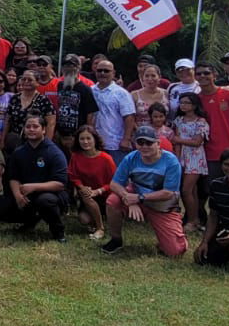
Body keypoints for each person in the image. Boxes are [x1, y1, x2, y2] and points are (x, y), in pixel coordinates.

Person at [101, 126, 188, 257]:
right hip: (137, 197)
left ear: (158, 144)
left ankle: (173, 240)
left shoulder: (171, 161)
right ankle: (116, 239)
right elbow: (114, 184)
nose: (144, 146)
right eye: (140, 143)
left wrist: (138, 198)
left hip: (162, 206)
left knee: (176, 252)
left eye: (149, 143)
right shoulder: (130, 158)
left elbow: (168, 193)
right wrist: (129, 199)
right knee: (112, 201)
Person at [0, 113, 68, 241]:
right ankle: (30, 221)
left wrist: (34, 187)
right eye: (28, 127)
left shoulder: (54, 152)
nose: (31, 129)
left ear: (44, 130)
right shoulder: (19, 152)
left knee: (45, 201)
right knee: (0, 206)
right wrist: (18, 196)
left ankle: (58, 231)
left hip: (52, 194)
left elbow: (60, 184)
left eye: (36, 126)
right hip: (26, 194)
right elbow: (13, 177)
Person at [68, 125, 117, 239]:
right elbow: (73, 175)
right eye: (82, 139)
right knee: (84, 219)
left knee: (88, 195)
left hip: (105, 194)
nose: (85, 142)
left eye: (88, 138)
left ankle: (100, 228)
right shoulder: (76, 157)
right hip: (88, 194)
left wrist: (98, 191)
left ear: (95, 139)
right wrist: (81, 187)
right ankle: (95, 220)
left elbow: (114, 182)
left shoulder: (106, 158)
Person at [171, 93, 210, 233]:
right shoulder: (178, 120)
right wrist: (176, 155)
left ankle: (193, 220)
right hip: (181, 156)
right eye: (181, 102)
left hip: (195, 158)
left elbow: (197, 142)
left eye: (186, 102)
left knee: (186, 190)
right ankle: (194, 219)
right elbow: (174, 140)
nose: (183, 105)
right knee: (191, 190)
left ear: (194, 105)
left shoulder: (201, 122)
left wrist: (179, 140)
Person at [89, 59, 136, 154]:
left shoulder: (121, 93)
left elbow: (129, 117)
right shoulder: (90, 91)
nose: (102, 73)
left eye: (106, 71)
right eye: (99, 70)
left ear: (113, 73)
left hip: (115, 145)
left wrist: (126, 139)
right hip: (93, 143)